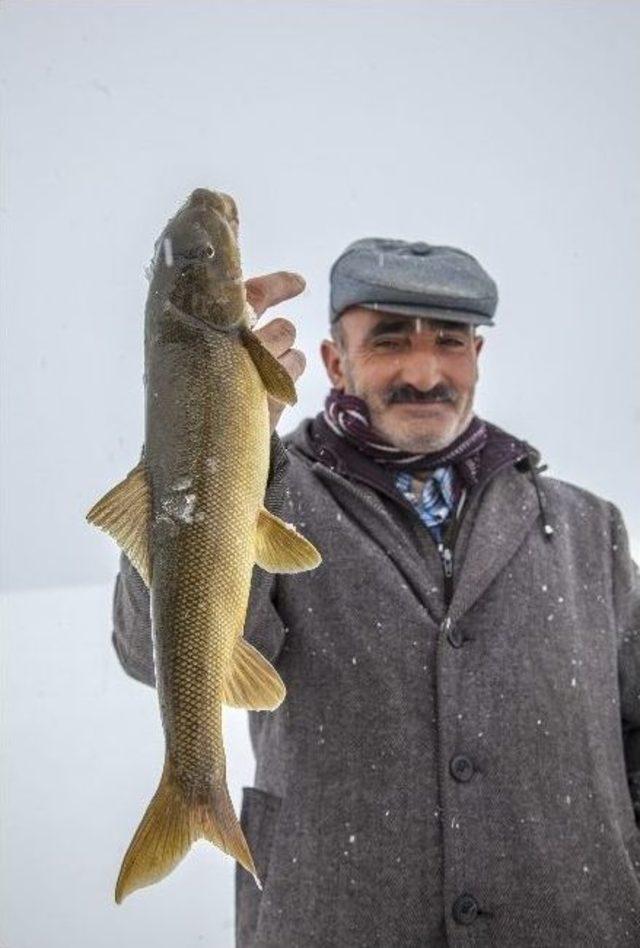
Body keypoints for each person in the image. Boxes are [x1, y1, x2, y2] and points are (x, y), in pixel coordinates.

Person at [112, 238, 640, 947]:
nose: (424, 372)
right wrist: (199, 437)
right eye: (389, 340)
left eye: (450, 342)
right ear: (335, 361)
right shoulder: (266, 496)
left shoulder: (587, 527)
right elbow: (154, 652)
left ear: (477, 358)